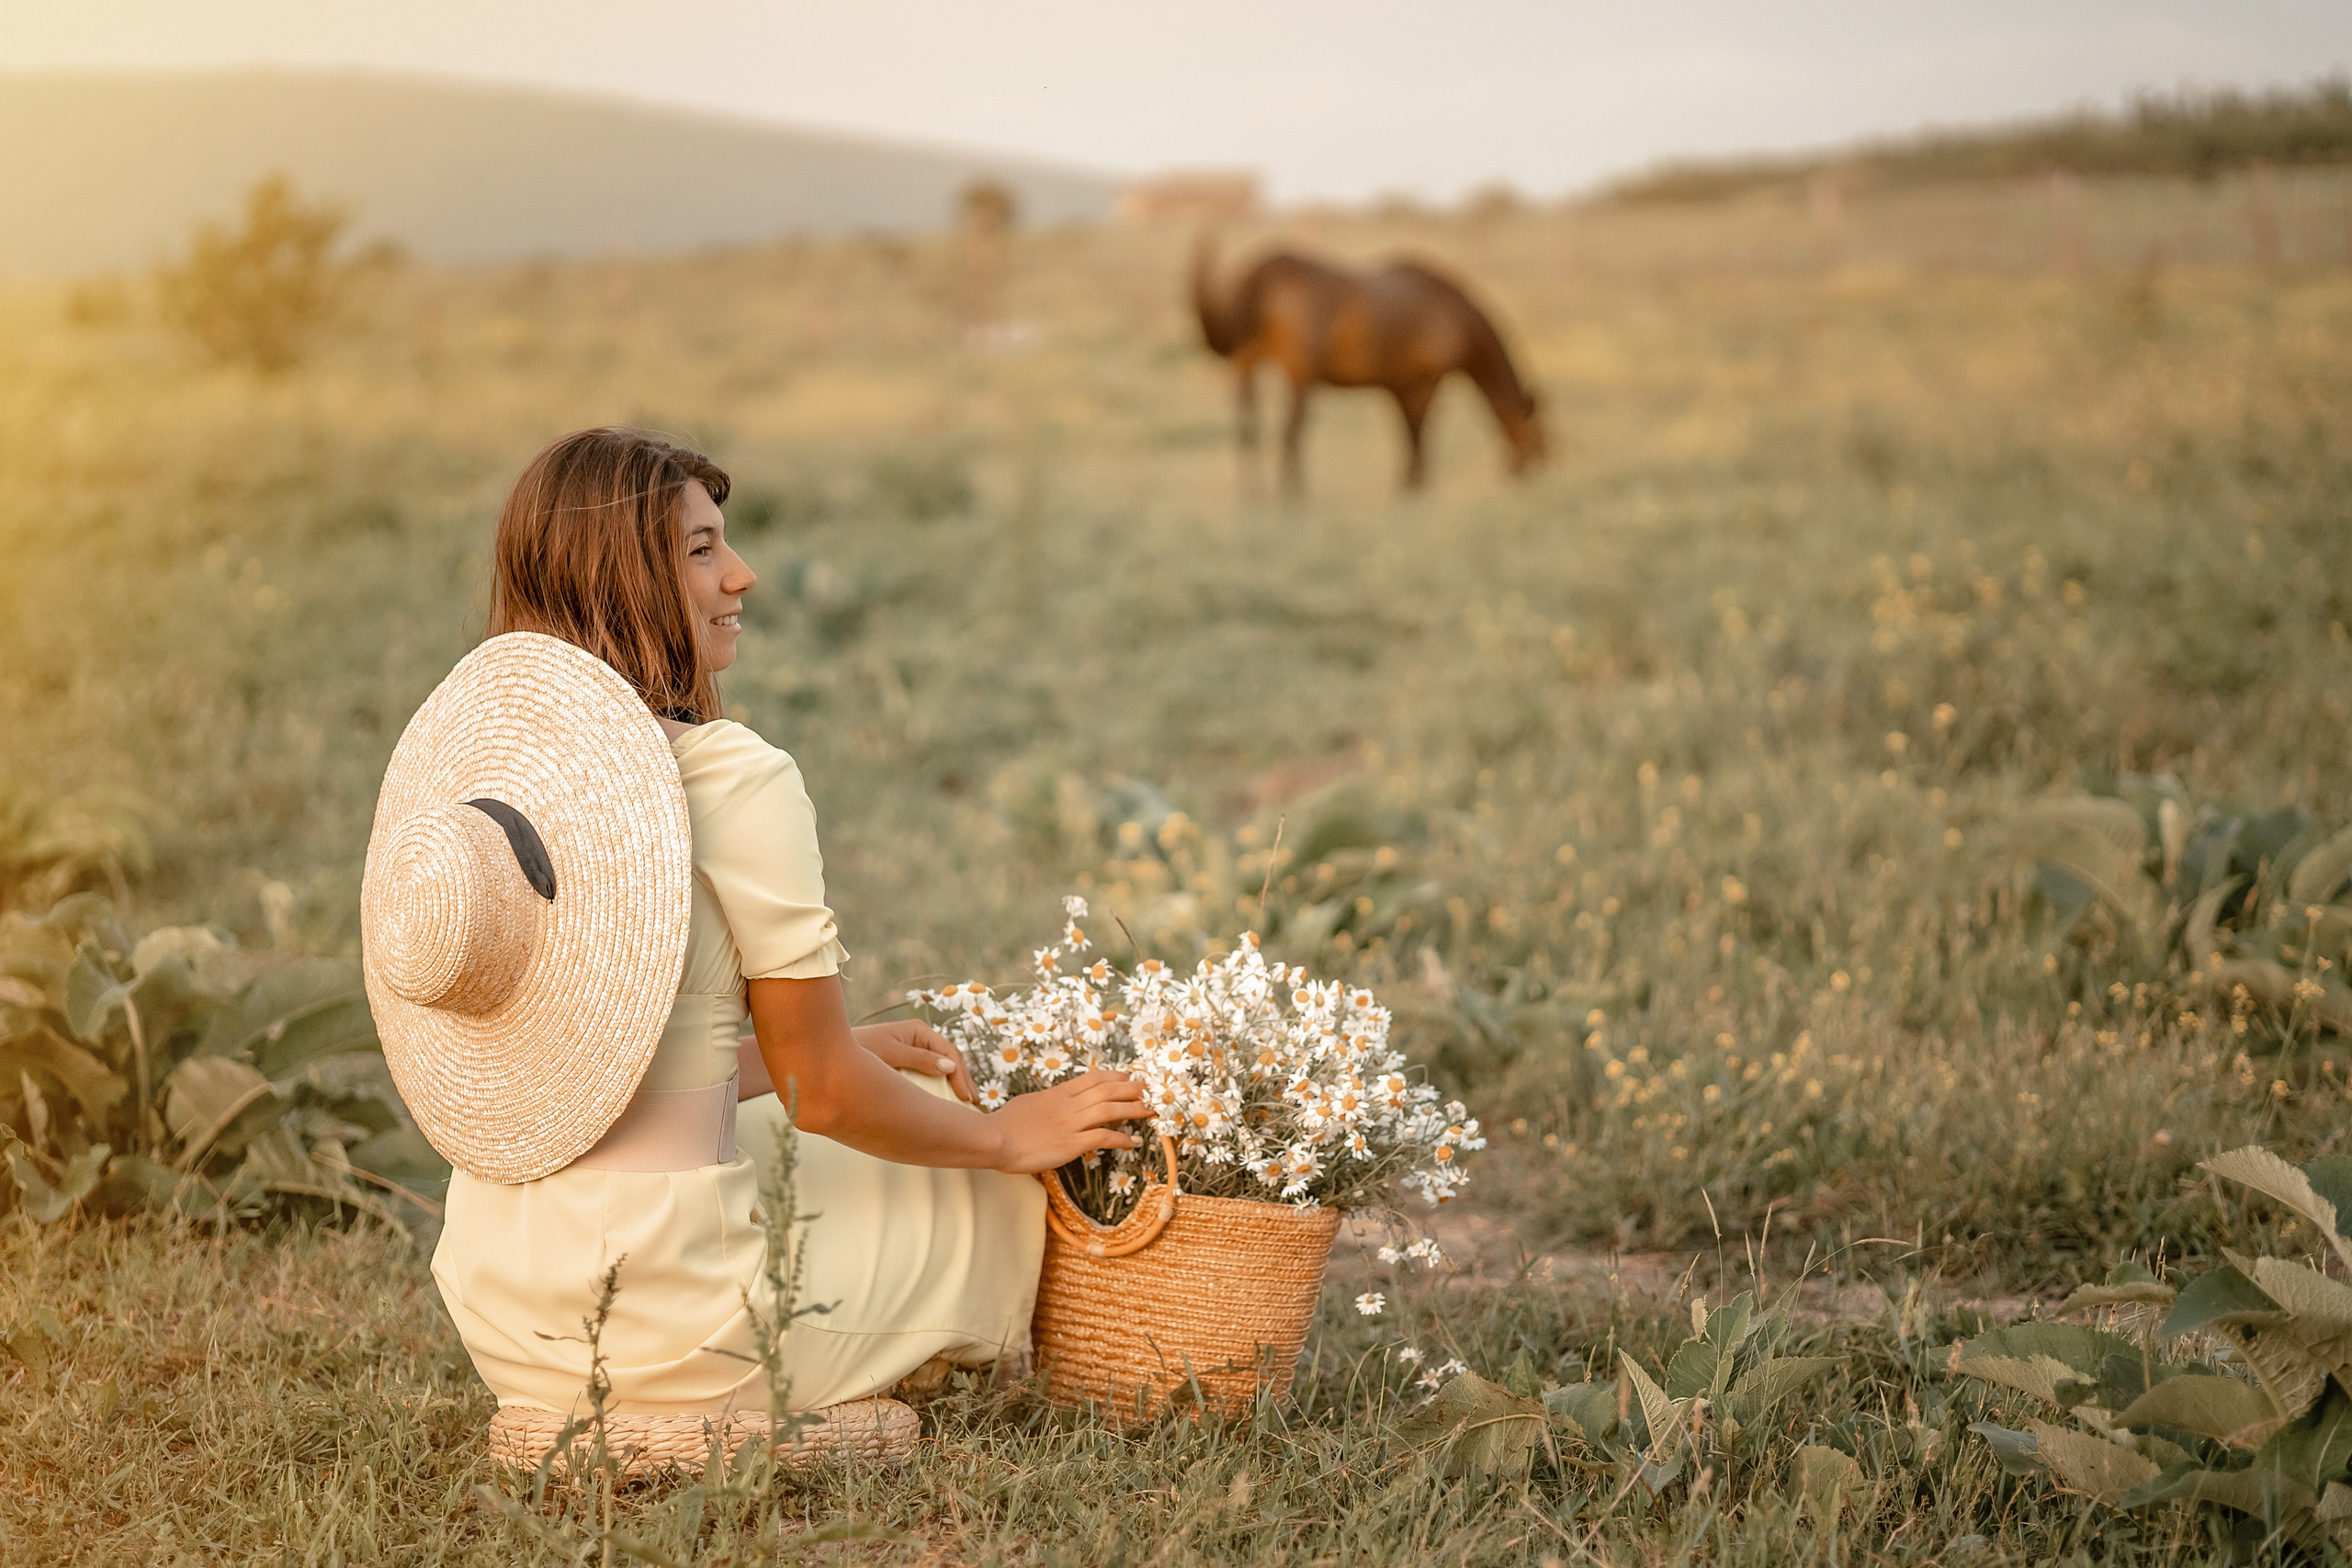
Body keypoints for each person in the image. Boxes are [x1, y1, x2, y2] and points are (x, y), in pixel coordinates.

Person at [373, 426, 1145, 1461]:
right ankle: (786, 1387)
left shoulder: (488, 796)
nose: (741, 575)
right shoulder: (734, 778)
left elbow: (600, 1078)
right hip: (676, 1321)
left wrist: (836, 1052)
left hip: (510, 1312)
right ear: (623, 578)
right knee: (962, 1165)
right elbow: (823, 1093)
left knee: (812, 1125)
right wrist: (1013, 1134)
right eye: (699, 550)